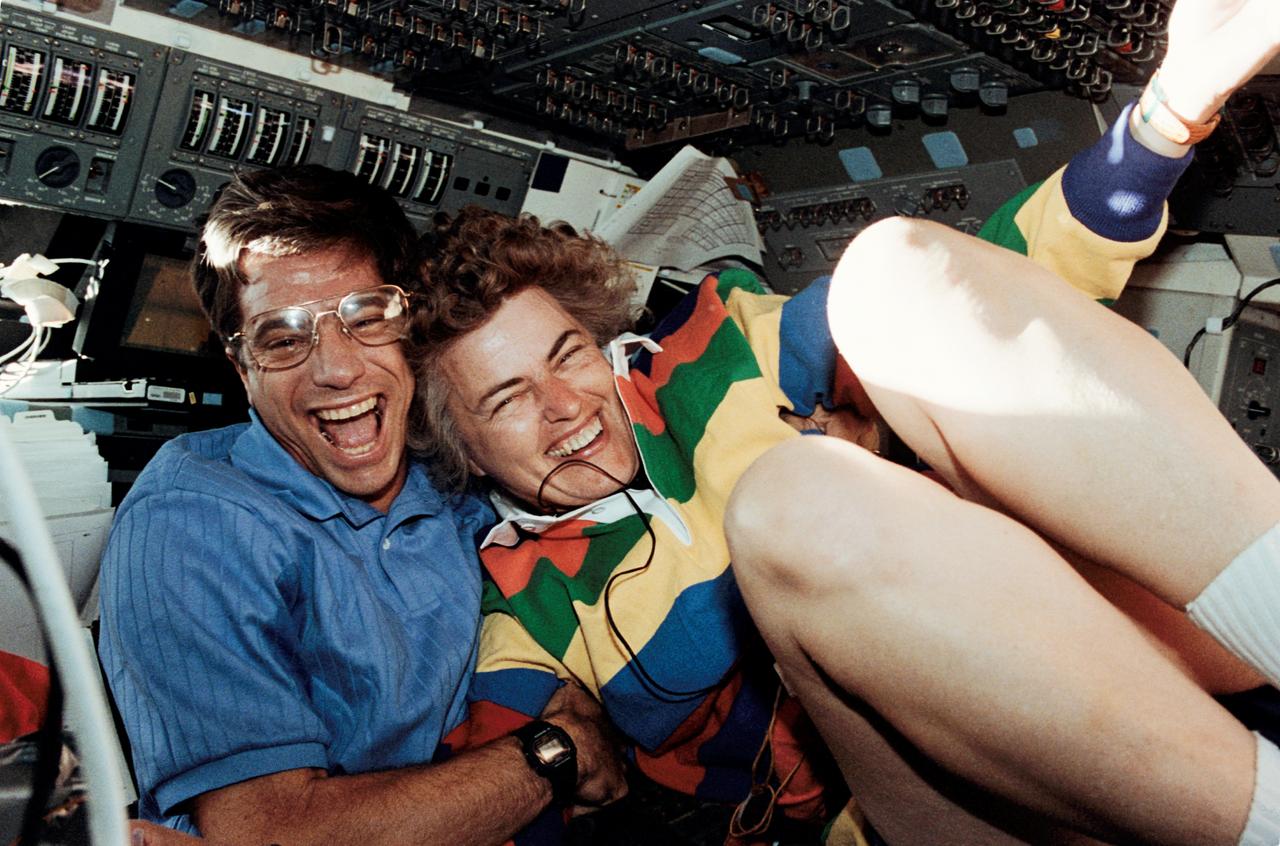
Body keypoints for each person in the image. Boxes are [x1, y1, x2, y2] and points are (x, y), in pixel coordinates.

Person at [408, 0, 1280, 842]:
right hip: (904, 801)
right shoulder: (523, 607)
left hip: (1088, 660)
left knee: (891, 269)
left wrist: (1171, 112)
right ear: (464, 449)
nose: (563, 407)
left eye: (565, 355)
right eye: (506, 398)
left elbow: (989, 284)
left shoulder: (720, 348)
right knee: (792, 502)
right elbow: (494, 805)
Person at [96, 166, 628, 844]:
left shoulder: (457, 458)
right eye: (283, 338)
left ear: (410, 325)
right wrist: (557, 753)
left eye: (366, 317)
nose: (336, 369)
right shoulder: (190, 523)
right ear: (241, 369)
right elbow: (275, 834)